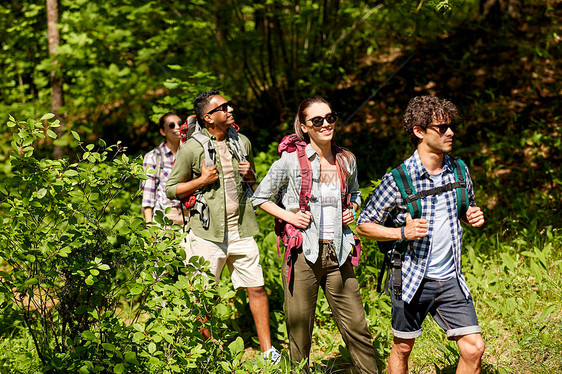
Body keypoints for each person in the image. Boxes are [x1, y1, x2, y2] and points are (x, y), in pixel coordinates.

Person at [356, 95, 486, 374]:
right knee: (403, 348)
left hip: (451, 278)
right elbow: (364, 224)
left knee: (474, 348)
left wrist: (471, 214)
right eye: (442, 127)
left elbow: (464, 207)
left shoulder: (459, 170)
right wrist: (401, 231)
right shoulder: (398, 179)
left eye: (451, 126)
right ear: (419, 131)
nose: (450, 132)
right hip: (412, 278)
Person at [251, 97, 378, 373]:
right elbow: (259, 198)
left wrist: (352, 208)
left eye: (330, 118)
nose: (325, 125)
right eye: (317, 121)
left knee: (357, 326)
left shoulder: (347, 160)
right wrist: (290, 216)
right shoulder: (290, 162)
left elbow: (354, 193)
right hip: (302, 255)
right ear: (304, 127)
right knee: (299, 333)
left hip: (339, 252)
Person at [165, 89, 279, 364]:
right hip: (206, 233)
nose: (230, 109)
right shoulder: (191, 148)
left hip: (241, 229)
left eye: (229, 104)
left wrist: (251, 175)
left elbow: (252, 184)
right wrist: (200, 181)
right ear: (208, 117)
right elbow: (171, 189)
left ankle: (268, 352)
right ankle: (212, 353)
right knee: (204, 296)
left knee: (257, 287)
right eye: (223, 107)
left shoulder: (242, 142)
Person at [142, 112, 188, 226]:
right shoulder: (153, 157)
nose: (177, 127)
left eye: (180, 124)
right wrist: (150, 226)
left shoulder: (190, 153)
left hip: (189, 215)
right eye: (171, 125)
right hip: (163, 216)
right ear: (163, 131)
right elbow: (148, 195)